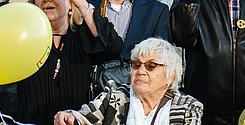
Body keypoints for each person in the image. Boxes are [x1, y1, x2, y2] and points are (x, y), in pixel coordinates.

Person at [8, 0, 123, 124]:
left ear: (71, 4)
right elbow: (1, 26)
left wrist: (82, 3)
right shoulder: (24, 38)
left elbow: (113, 46)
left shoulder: (83, 38)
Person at [53, 38, 204, 125]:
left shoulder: (188, 107)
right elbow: (83, 117)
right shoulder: (114, 96)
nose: (141, 71)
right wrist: (68, 117)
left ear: (170, 75)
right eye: (136, 64)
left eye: (151, 66)